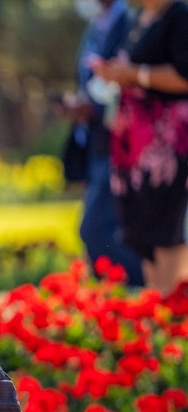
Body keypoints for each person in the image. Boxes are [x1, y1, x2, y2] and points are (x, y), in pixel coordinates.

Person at [91, 0, 188, 296]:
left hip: (168, 150)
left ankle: (175, 321)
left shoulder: (179, 15)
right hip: (134, 150)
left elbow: (184, 76)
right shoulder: (139, 18)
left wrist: (135, 74)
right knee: (143, 232)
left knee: (166, 229)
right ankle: (159, 314)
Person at [57, 0, 144, 286]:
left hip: (123, 143)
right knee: (106, 227)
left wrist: (91, 105)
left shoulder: (131, 23)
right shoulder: (95, 26)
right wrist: (78, 106)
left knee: (94, 228)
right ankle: (112, 297)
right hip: (95, 144)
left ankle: (139, 289)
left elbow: (129, 80)